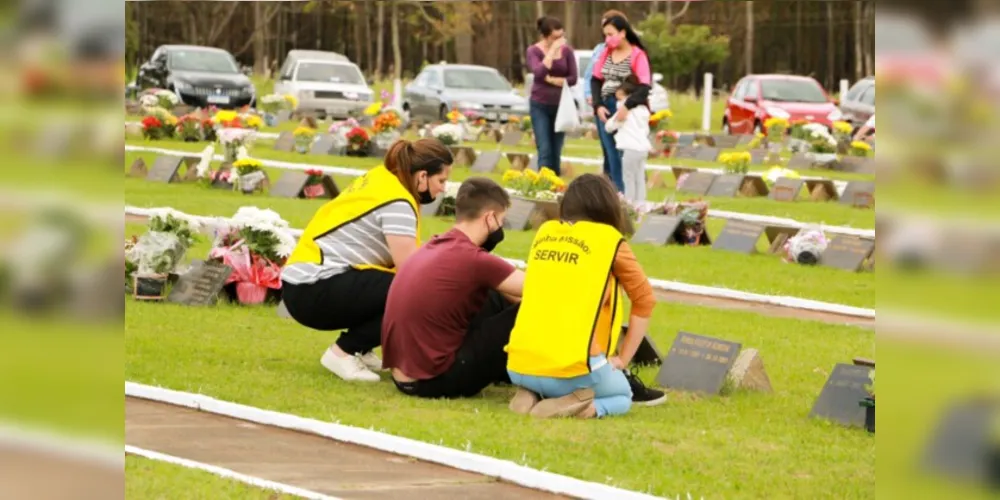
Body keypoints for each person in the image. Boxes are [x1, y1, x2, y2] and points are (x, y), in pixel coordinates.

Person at [280, 138, 453, 382]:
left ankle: (361, 349)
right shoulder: (398, 202)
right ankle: (343, 352)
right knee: (417, 292)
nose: (443, 188)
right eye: (442, 180)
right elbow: (410, 271)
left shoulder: (382, 178)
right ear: (422, 176)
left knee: (402, 287)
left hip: (302, 284)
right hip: (315, 289)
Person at [505, 174, 666, 419]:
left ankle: (531, 392)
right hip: (573, 367)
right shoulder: (609, 240)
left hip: (519, 364)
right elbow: (644, 299)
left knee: (547, 374)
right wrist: (622, 360)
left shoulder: (546, 233)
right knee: (623, 396)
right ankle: (585, 406)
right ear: (608, 207)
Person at [382, 178, 525, 399]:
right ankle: (558, 376)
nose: (500, 228)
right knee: (528, 312)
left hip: (404, 376)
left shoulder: (436, 245)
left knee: (495, 297)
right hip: (435, 380)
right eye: (501, 221)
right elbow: (540, 289)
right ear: (489, 218)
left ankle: (507, 371)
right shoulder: (474, 260)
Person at [590, 15, 652, 194]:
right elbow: (595, 79)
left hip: (626, 107)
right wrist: (597, 105)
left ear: (623, 33)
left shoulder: (637, 55)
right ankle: (612, 195)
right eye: (605, 35)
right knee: (610, 154)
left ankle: (624, 197)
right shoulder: (606, 53)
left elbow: (644, 86)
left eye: (611, 34)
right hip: (605, 106)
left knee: (622, 153)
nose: (607, 39)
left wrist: (626, 106)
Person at [526, 16, 578, 177]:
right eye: (555, 38)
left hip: (560, 106)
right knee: (545, 148)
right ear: (544, 36)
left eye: (561, 36)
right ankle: (543, 184)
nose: (560, 41)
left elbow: (573, 78)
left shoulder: (567, 51)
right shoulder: (533, 51)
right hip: (540, 104)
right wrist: (552, 52)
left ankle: (555, 185)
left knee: (556, 150)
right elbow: (539, 73)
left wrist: (554, 80)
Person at [582, 9, 629, 182]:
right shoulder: (599, 50)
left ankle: (619, 191)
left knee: (618, 151)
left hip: (618, 104)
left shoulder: (630, 51)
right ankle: (609, 187)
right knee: (607, 151)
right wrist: (591, 97)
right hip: (600, 103)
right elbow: (590, 76)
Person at [603, 75, 652, 204]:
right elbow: (646, 130)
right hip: (643, 148)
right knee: (639, 178)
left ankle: (629, 205)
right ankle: (641, 204)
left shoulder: (623, 107)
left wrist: (609, 122)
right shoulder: (643, 109)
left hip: (629, 148)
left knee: (628, 178)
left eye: (618, 94)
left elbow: (610, 126)